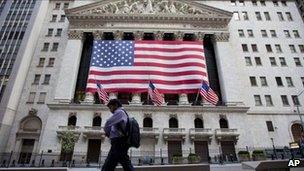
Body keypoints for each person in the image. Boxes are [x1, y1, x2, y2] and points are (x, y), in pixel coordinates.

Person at [102, 99, 134, 171]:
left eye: (110, 107)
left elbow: (108, 123)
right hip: (119, 142)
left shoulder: (119, 112)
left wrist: (108, 133)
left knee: (110, 164)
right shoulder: (122, 113)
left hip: (119, 142)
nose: (110, 110)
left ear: (116, 105)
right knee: (121, 162)